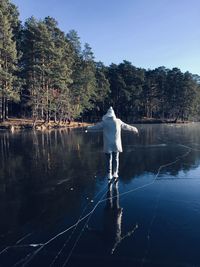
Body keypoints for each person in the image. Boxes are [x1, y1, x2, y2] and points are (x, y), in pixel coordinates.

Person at [86, 107, 138, 179]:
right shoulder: (118, 121)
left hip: (108, 144)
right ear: (114, 114)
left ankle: (109, 174)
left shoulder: (105, 122)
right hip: (116, 144)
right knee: (116, 158)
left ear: (107, 114)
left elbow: (96, 127)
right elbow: (126, 126)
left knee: (109, 160)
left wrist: (88, 127)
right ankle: (115, 173)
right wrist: (134, 128)